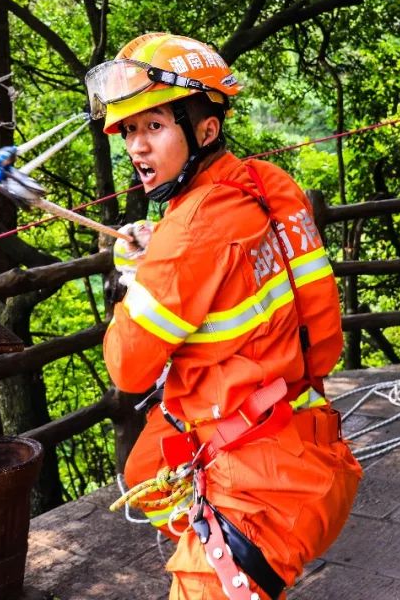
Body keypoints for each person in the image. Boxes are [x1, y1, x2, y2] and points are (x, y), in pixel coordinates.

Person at [87, 33, 362, 600]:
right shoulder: (266, 185)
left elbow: (127, 369)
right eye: (130, 131)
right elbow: (229, 263)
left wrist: (136, 279)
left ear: (204, 130)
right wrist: (162, 250)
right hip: (304, 430)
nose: (137, 147)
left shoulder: (189, 233)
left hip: (256, 483)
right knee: (146, 469)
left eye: (155, 126)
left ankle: (222, 551)